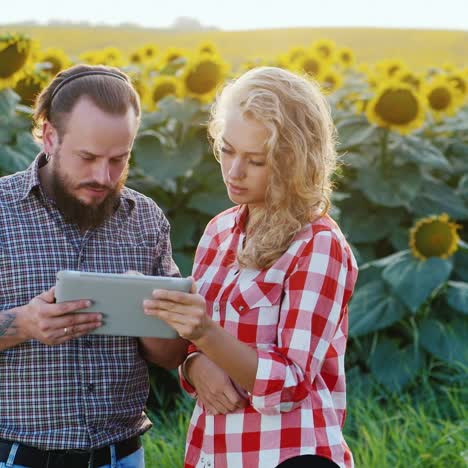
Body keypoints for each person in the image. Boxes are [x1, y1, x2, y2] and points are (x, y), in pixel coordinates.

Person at [144, 66, 358, 468]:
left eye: (255, 160)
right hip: (214, 449)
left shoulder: (318, 244)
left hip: (285, 453)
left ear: (294, 160)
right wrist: (193, 363)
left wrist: (205, 335)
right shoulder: (220, 230)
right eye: (227, 150)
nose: (233, 171)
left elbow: (291, 385)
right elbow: (196, 353)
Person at [0, 64, 187, 468]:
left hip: (122, 457)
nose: (103, 176)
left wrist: (155, 321)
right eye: (88, 157)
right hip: (16, 457)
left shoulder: (146, 219)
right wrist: (24, 323)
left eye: (119, 159)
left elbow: (172, 356)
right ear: (50, 136)